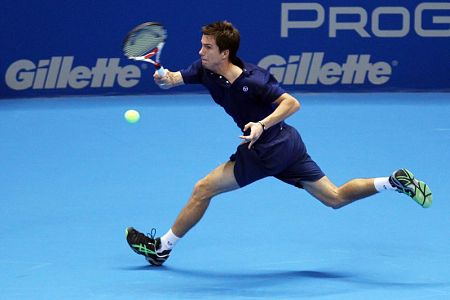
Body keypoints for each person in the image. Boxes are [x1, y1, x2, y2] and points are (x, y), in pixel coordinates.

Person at [125, 21, 432, 266]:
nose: (201, 51)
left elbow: (291, 103)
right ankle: (392, 182)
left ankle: (162, 248)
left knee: (203, 189)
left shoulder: (254, 79)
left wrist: (261, 123)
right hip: (290, 145)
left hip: (267, 149)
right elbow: (177, 78)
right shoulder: (204, 70)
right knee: (335, 197)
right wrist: (165, 77)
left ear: (225, 53)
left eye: (208, 47)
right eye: (202, 45)